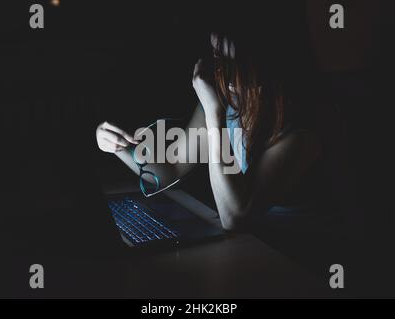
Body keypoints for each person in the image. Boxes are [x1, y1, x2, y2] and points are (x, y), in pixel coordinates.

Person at [95, 18, 330, 231]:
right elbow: (172, 168)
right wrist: (116, 146)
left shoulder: (300, 131)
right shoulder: (228, 100)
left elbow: (235, 217)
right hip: (248, 246)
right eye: (216, 56)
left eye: (231, 61)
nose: (218, 71)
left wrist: (214, 115)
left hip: (291, 256)